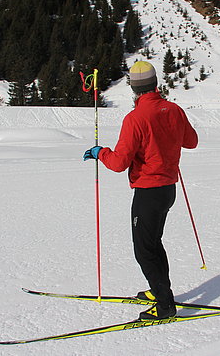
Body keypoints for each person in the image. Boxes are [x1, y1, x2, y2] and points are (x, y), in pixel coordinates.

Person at [83, 61, 198, 320]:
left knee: (144, 249)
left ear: (134, 88)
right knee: (153, 243)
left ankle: (165, 305)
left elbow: (118, 162)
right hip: (168, 189)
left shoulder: (135, 118)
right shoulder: (174, 109)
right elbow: (191, 141)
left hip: (148, 191)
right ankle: (159, 291)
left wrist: (99, 152)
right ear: (155, 83)